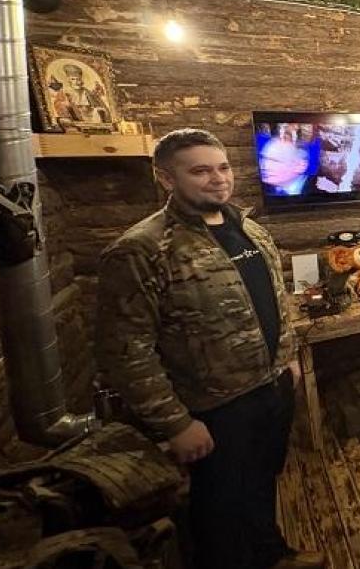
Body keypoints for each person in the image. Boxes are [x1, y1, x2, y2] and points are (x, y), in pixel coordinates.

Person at [94, 129, 324, 569]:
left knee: (262, 482)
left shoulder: (251, 230)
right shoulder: (141, 250)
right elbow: (125, 351)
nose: (218, 179)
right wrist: (175, 423)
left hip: (271, 389)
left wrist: (289, 359)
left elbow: (277, 302)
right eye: (200, 171)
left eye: (223, 167)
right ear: (167, 178)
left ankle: (271, 554)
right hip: (212, 408)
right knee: (217, 507)